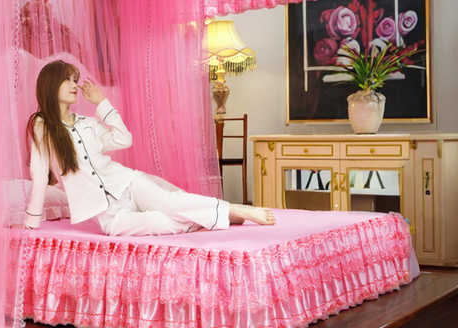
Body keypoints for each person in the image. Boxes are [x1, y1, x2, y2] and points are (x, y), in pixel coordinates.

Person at [25, 58, 275, 236]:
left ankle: (239, 209)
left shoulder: (88, 123)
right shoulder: (41, 125)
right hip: (110, 214)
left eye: (74, 79)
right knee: (161, 223)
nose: (74, 85)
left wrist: (102, 103)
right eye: (66, 80)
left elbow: (124, 140)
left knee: (171, 203)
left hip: (128, 183)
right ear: (50, 84)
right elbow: (39, 176)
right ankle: (218, 215)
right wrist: (31, 222)